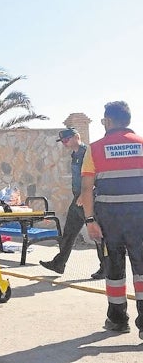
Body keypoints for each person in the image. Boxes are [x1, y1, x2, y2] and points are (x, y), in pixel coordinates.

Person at [80, 101, 143, 339]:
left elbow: (86, 189)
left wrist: (89, 220)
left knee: (114, 270)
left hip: (110, 222)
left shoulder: (94, 149)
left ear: (107, 121)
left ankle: (117, 321)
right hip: (140, 219)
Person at [39, 127, 105, 279]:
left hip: (86, 198)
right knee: (69, 232)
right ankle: (59, 264)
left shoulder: (87, 152)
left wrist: (84, 194)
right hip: (77, 199)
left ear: (76, 136)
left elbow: (96, 174)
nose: (64, 142)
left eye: (66, 139)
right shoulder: (74, 154)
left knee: (96, 234)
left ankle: (106, 268)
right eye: (62, 140)